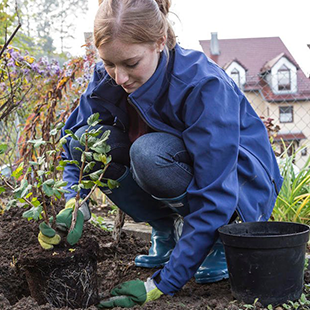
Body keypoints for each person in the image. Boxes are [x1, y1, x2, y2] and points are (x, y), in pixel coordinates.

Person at [39, 0, 283, 307]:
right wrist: (75, 200)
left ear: (160, 42)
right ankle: (166, 229)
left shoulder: (203, 85)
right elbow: (74, 140)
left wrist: (162, 283)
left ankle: (219, 240)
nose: (119, 77)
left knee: (148, 153)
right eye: (108, 63)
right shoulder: (110, 76)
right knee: (87, 142)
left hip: (238, 188)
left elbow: (216, 193)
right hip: (175, 169)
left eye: (130, 63)